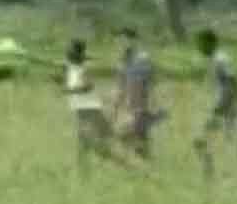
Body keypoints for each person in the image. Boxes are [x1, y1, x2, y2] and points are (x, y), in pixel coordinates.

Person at [61, 38, 132, 174]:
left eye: (70, 49)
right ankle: (83, 175)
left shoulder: (83, 69)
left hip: (89, 111)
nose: (67, 52)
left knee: (97, 146)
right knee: (85, 146)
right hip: (83, 111)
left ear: (76, 52)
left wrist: (69, 90)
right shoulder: (72, 67)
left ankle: (128, 165)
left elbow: (87, 86)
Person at [192, 27, 237, 181]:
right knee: (202, 141)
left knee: (202, 140)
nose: (198, 47)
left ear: (210, 43)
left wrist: (223, 107)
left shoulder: (221, 59)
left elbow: (231, 83)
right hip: (219, 108)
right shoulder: (214, 59)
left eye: (201, 43)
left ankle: (211, 175)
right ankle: (210, 173)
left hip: (223, 109)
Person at [112, 27, 163, 160]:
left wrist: (154, 104)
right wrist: (115, 109)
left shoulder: (142, 59)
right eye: (120, 41)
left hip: (142, 107)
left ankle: (144, 166)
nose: (122, 44)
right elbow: (121, 87)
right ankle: (149, 167)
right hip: (130, 107)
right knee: (137, 140)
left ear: (134, 41)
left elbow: (150, 83)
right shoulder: (121, 62)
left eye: (125, 40)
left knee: (126, 136)